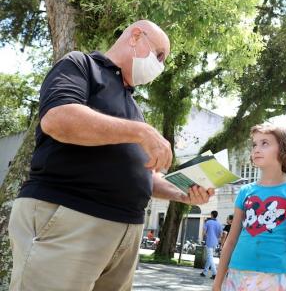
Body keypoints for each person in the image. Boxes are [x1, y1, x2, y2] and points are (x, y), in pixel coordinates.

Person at [8, 20, 214, 291]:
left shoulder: (133, 107)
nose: (160, 66)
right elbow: (57, 119)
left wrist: (181, 192)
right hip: (71, 217)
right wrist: (141, 132)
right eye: (159, 55)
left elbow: (145, 176)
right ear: (136, 36)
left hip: (125, 232)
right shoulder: (80, 65)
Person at [213, 124, 286, 291]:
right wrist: (217, 284)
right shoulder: (245, 191)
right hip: (237, 274)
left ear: (284, 149)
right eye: (254, 144)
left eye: (265, 143)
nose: (257, 149)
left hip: (276, 276)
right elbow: (231, 241)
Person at [201, 210, 223, 279]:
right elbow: (221, 235)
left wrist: (208, 236)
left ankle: (215, 273)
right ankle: (204, 272)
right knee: (209, 257)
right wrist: (216, 238)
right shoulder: (219, 224)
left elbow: (204, 233)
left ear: (211, 215)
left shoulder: (208, 222)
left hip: (209, 241)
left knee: (210, 257)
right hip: (215, 242)